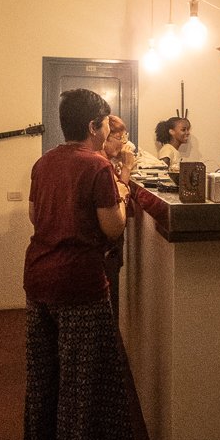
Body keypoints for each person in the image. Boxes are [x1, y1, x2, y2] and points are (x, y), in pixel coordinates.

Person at [23, 89, 134, 440]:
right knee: (82, 379)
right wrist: (124, 186)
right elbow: (113, 227)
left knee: (45, 372)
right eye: (106, 124)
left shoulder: (44, 162)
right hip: (78, 282)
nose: (109, 131)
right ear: (92, 126)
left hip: (38, 277)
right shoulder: (96, 166)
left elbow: (34, 216)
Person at [99, 115, 136, 323]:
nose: (123, 143)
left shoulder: (106, 164)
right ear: (104, 136)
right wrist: (127, 168)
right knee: (108, 301)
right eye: (119, 138)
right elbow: (118, 198)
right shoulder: (101, 166)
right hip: (106, 248)